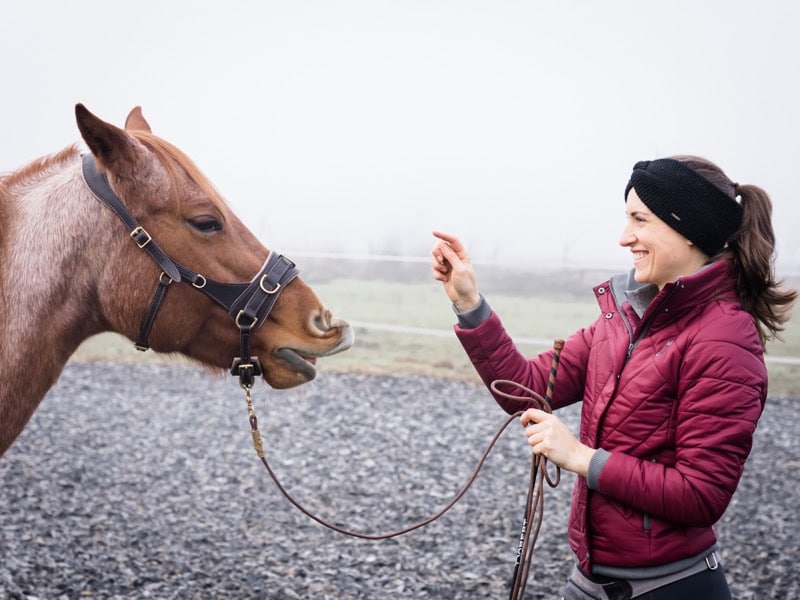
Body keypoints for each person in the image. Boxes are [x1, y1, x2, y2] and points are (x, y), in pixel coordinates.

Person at [430, 156, 796, 600]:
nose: (625, 237)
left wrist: (582, 458)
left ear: (689, 228)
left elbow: (701, 495)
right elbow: (523, 389)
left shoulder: (723, 340)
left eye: (639, 220)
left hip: (670, 587)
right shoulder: (621, 321)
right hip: (591, 581)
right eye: (627, 219)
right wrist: (470, 303)